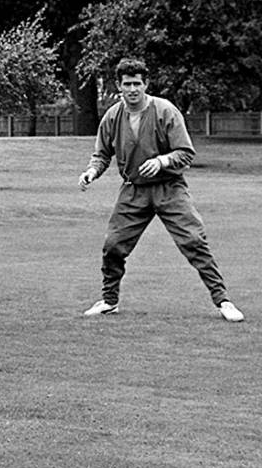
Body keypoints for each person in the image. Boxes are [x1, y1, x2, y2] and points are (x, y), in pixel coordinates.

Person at [78, 58, 243, 322]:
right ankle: (109, 301)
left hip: (170, 188)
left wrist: (162, 161)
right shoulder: (112, 116)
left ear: (146, 84)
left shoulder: (165, 111)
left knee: (194, 241)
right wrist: (91, 172)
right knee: (113, 246)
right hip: (133, 191)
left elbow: (185, 152)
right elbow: (102, 154)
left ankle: (223, 300)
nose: (132, 89)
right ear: (118, 86)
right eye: (127, 84)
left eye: (137, 84)